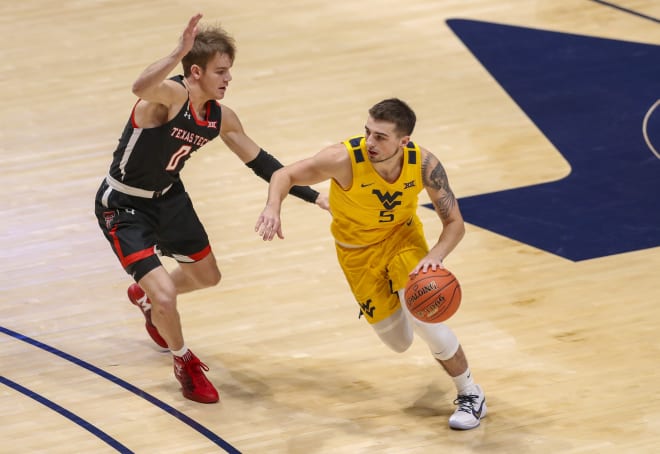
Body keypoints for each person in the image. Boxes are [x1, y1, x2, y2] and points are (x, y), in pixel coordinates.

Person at [94, 13, 327, 404]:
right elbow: (139, 86)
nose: (228, 79)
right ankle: (183, 359)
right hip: (123, 204)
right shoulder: (171, 96)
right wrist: (178, 52)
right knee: (168, 295)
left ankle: (145, 296)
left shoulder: (221, 118)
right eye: (221, 71)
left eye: (230, 71)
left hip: (168, 198)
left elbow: (264, 164)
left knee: (207, 276)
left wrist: (314, 196)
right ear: (196, 71)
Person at [255, 98, 487, 429]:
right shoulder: (342, 159)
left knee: (425, 313)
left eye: (380, 137)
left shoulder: (423, 164)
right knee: (399, 343)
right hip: (356, 254)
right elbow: (284, 174)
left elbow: (455, 224)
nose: (369, 143)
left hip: (402, 241)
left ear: (403, 142)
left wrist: (434, 258)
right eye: (367, 132)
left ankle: (471, 393)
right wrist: (272, 207)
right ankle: (402, 306)